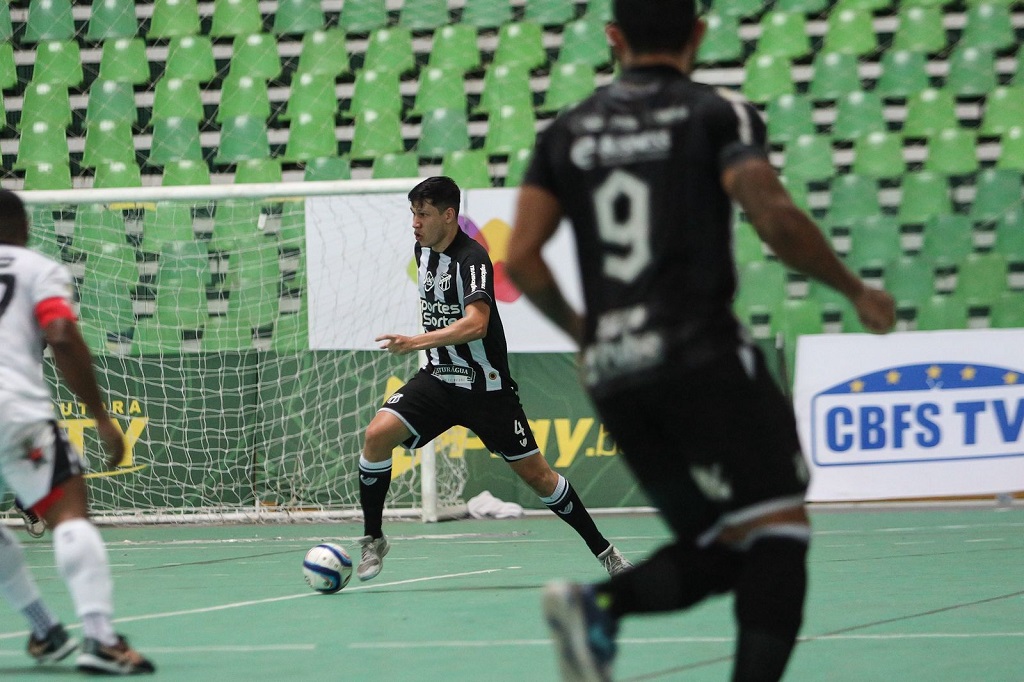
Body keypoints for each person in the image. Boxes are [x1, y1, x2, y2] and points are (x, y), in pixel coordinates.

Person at [506, 2, 897, 680]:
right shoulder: (719, 113)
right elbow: (772, 216)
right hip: (701, 355)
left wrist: (587, 334)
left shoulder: (565, 132)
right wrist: (854, 290)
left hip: (615, 375)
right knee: (778, 532)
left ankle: (598, 605)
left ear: (614, 39)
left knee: (724, 545)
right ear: (699, 34)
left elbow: (524, 260)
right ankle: (600, 603)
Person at [356, 176, 632, 582]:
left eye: (423, 214)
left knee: (540, 478)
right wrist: (429, 350)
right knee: (377, 435)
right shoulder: (423, 251)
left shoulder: (473, 260)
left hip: (487, 391)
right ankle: (373, 539)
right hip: (438, 378)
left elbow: (476, 324)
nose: (414, 223)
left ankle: (606, 553)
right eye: (412, 214)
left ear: (449, 216)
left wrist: (415, 341)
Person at [0, 190, 155, 675]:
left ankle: (45, 628)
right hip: (15, 411)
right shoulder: (36, 268)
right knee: (69, 514)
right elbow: (62, 335)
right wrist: (102, 417)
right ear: (22, 227)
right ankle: (101, 639)